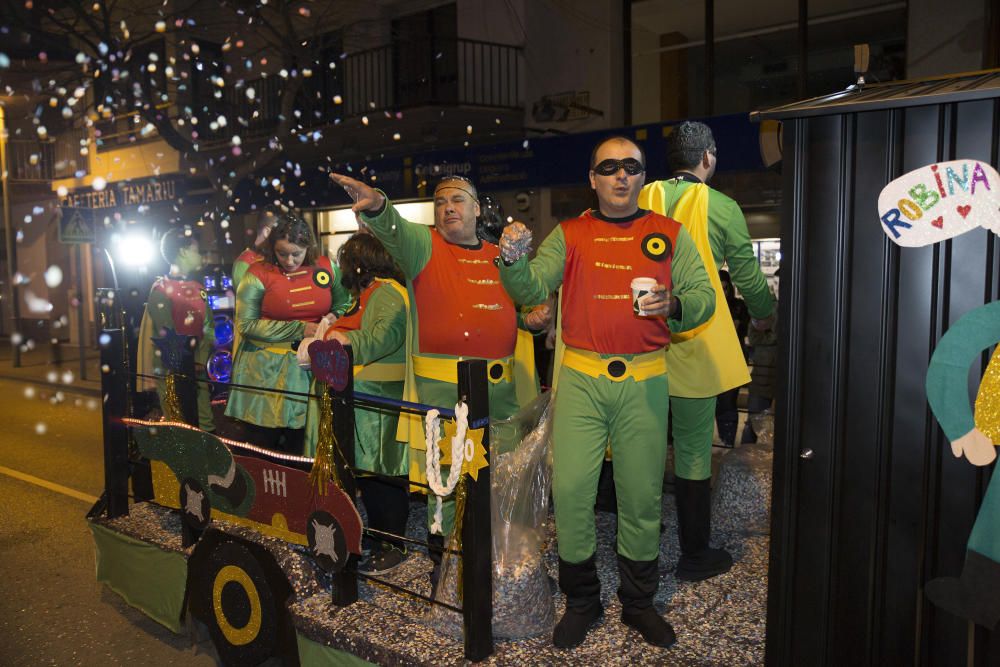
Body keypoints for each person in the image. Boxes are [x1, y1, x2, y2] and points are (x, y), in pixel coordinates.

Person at [497, 136, 716, 649]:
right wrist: (511, 259)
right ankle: (582, 601)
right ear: (593, 178)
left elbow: (705, 297)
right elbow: (531, 288)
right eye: (610, 167)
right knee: (572, 492)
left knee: (640, 496)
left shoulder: (669, 233)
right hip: (582, 380)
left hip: (645, 379)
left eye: (632, 167)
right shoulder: (570, 234)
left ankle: (638, 603)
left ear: (643, 176)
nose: (621, 175)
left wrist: (675, 302)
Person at [329, 171, 544, 588]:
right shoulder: (422, 247)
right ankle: (445, 566)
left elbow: (514, 308)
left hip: (501, 394)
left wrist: (531, 322)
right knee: (445, 484)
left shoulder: (501, 256)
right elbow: (395, 229)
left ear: (477, 209)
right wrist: (377, 204)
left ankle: (500, 561)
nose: (448, 207)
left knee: (499, 479)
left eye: (458, 200)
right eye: (441, 200)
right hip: (443, 395)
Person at [639, 121, 776, 582]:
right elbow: (748, 277)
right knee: (695, 452)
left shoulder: (638, 199)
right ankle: (694, 555)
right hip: (695, 344)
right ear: (709, 157)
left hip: (639, 344)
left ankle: (636, 549)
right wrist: (764, 314)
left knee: (641, 445)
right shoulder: (722, 207)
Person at [300, 232, 411, 574]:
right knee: (366, 476)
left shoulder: (388, 293)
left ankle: (391, 544)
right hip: (360, 401)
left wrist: (336, 338)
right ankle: (371, 538)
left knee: (382, 477)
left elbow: (383, 336)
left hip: (376, 402)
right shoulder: (368, 294)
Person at [224, 214, 351, 454]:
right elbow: (247, 325)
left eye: (296, 253)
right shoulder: (256, 273)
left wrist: (334, 317)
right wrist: (299, 328)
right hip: (265, 374)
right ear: (272, 248)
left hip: (314, 368)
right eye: (282, 253)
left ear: (308, 248)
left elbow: (345, 303)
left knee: (305, 444)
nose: (290, 260)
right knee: (264, 446)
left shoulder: (326, 266)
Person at [139, 227, 215, 431]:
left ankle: (206, 458)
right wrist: (186, 361)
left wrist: (200, 357)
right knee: (179, 421)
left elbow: (208, 327)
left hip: (195, 367)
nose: (200, 255)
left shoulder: (199, 289)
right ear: (183, 252)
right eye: (196, 250)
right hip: (171, 370)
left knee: (205, 421)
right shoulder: (161, 289)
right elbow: (166, 332)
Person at [714, 269, 750, 447]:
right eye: (719, 288)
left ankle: (727, 442)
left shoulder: (738, 306)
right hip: (711, 359)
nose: (723, 291)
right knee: (713, 405)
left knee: (727, 403)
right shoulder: (710, 304)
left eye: (725, 288)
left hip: (732, 359)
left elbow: (736, 330)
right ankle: (721, 442)